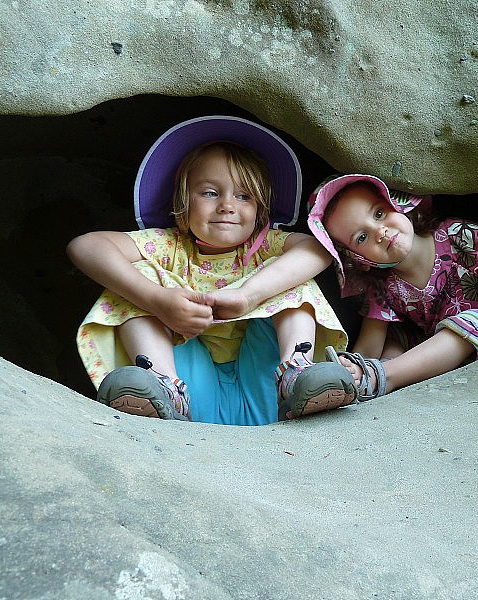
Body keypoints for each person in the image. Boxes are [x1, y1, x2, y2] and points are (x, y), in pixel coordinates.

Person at [68, 116, 356, 425]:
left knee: (290, 273)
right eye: (209, 193)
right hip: (191, 397)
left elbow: (318, 250)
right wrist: (157, 301)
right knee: (134, 275)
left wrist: (249, 295)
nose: (227, 206)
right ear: (182, 201)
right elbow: (85, 246)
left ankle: (296, 373)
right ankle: (161, 385)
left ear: (260, 209)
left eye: (244, 196)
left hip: (268, 391)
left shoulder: (264, 246)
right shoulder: (167, 246)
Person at [307, 174, 478, 400]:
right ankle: (372, 376)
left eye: (379, 213)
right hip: (434, 354)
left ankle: (387, 376)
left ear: (398, 205)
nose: (380, 232)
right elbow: (370, 345)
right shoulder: (381, 286)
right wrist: (352, 366)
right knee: (394, 337)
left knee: (474, 320)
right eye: (361, 238)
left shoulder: (456, 235)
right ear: (359, 260)